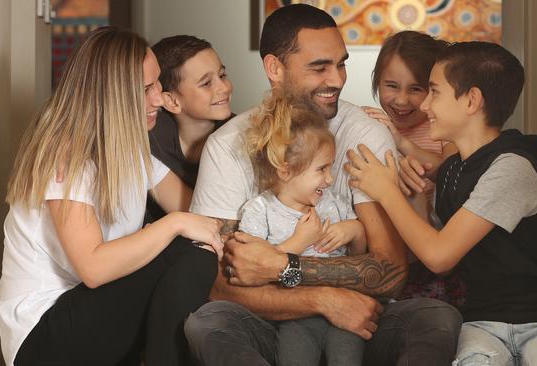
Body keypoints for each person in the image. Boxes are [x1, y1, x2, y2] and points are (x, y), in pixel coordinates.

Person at [184, 4, 462, 366]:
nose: (337, 79)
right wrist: (322, 300)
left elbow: (390, 271)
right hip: (273, 323)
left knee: (436, 318)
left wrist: (280, 267)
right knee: (208, 323)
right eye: (320, 67)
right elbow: (219, 284)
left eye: (341, 64)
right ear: (275, 68)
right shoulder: (228, 146)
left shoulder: (364, 135)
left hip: (362, 320)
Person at [345, 41, 537, 365]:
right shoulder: (452, 169)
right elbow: (427, 242)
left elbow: (439, 256)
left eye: (434, 92)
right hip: (482, 323)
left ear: (472, 100)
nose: (425, 104)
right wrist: (412, 188)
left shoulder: (513, 166)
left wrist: (386, 192)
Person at [0, 27, 223, 366]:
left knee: (197, 250)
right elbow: (94, 268)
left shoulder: (127, 149)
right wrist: (175, 224)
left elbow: (201, 213)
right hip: (42, 339)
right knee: (190, 250)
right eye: (146, 89)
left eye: (158, 82)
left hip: (90, 313)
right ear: (111, 94)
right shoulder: (67, 155)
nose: (158, 98)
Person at [240, 91, 367, 365]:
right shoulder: (260, 211)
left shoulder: (334, 203)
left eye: (331, 167)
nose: (331, 179)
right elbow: (252, 270)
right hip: (294, 316)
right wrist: (299, 242)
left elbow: (359, 258)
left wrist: (355, 231)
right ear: (285, 171)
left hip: (344, 310)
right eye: (322, 169)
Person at [364, 30, 465, 306]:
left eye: (416, 89)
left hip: (434, 241)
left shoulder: (441, 128)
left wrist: (403, 143)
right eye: (392, 86)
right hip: (390, 247)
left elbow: (450, 169)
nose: (401, 100)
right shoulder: (375, 126)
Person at [144, 35, 234, 224]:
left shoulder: (240, 137)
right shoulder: (150, 132)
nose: (224, 87)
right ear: (172, 101)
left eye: (222, 75)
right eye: (206, 83)